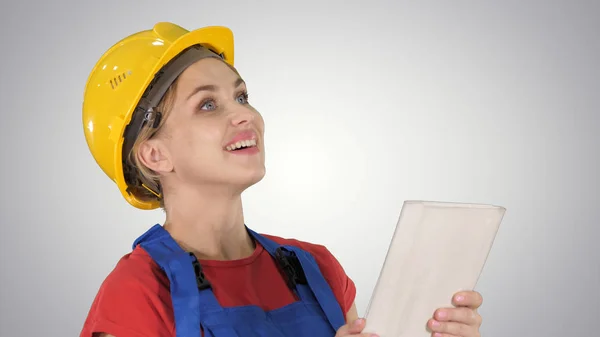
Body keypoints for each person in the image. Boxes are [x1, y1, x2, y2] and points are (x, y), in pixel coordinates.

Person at [79, 22, 485, 337]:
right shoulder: (138, 291)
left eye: (241, 97)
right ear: (155, 154)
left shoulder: (317, 270)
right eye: (208, 104)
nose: (246, 116)